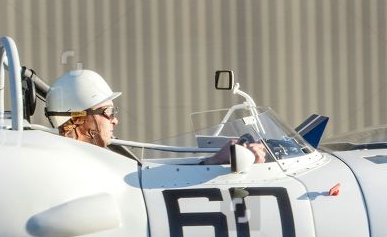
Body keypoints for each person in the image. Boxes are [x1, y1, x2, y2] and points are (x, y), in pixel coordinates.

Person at [44, 68, 266, 165]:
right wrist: (212, 161)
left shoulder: (92, 159)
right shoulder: (80, 166)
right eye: (108, 112)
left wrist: (211, 160)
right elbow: (139, 185)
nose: (115, 120)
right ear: (78, 119)